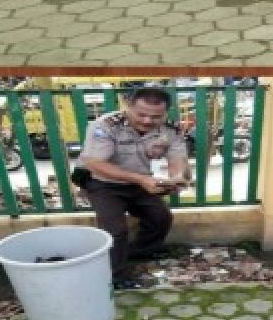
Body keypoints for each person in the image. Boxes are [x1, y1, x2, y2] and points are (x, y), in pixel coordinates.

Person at [74, 87, 189, 289]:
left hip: (138, 181)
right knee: (115, 230)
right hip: (103, 183)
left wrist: (177, 179)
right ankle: (116, 277)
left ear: (166, 113)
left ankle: (140, 252)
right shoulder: (106, 125)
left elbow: (177, 158)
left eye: (155, 116)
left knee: (160, 217)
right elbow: (95, 163)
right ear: (128, 106)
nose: (147, 121)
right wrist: (140, 179)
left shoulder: (171, 129)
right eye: (141, 114)